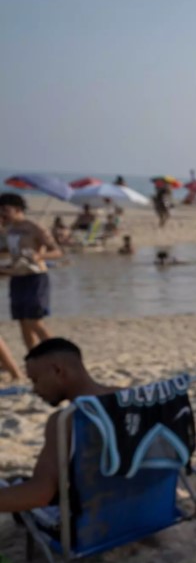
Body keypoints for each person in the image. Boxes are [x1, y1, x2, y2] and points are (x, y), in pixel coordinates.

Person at [0, 339, 116, 514]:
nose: (34, 389)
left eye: (35, 380)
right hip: (150, 510)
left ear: (58, 371)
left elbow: (39, 495)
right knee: (18, 480)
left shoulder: (67, 420)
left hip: (97, 522)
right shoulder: (131, 398)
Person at [1, 193, 62, 351]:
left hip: (35, 277)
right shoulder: (7, 229)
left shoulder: (34, 227)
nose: (2, 213)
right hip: (17, 277)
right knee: (22, 322)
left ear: (18, 209)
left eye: (5, 209)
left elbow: (57, 252)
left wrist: (39, 255)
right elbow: (7, 251)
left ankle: (59, 353)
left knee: (33, 320)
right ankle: (34, 358)